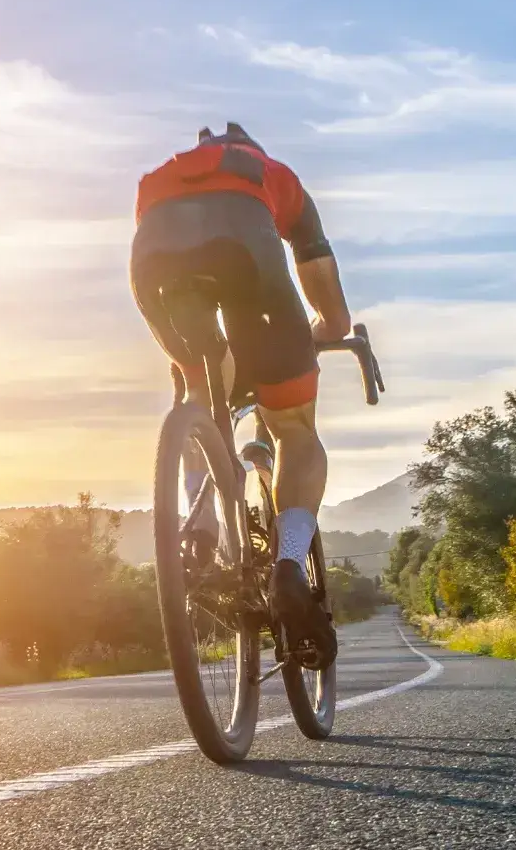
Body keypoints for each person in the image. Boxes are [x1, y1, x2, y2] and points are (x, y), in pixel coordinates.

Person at [130, 122, 351, 667]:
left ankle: (200, 534)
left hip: (154, 265)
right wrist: (329, 325)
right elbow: (315, 264)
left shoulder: (157, 178)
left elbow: (186, 273)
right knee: (294, 430)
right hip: (249, 257)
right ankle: (290, 566)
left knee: (202, 398)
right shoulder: (272, 175)